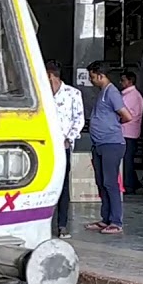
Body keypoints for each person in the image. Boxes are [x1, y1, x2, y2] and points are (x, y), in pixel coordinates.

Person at [85, 61, 132, 235]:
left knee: (110, 183)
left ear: (100, 75)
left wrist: (112, 125)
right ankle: (105, 219)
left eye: (92, 77)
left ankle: (116, 221)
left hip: (111, 144)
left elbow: (127, 116)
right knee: (101, 182)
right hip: (99, 144)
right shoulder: (102, 93)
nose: (91, 81)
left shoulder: (111, 92)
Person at [46, 60, 84, 239]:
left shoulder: (72, 94)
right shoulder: (41, 94)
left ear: (51, 76)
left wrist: (69, 139)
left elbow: (79, 119)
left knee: (62, 185)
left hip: (63, 146)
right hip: (44, 146)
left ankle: (62, 225)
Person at [119, 71, 143, 194]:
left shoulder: (131, 96)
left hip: (127, 131)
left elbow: (126, 114)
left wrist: (117, 121)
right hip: (130, 131)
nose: (121, 82)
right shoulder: (133, 95)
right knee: (127, 159)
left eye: (123, 80)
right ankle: (133, 182)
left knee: (126, 160)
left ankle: (129, 185)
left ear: (130, 81)